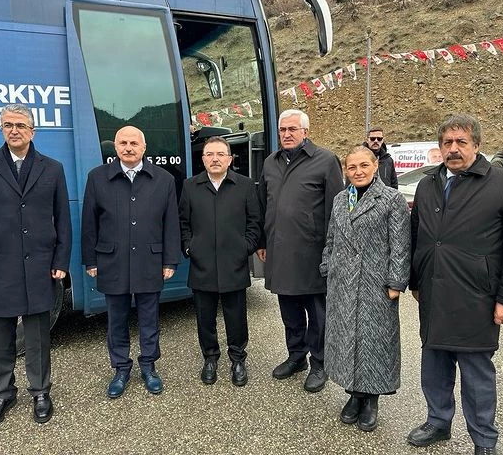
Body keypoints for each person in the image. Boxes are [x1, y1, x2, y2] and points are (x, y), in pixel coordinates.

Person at [407, 113, 503, 455]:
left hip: (476, 295)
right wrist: (416, 282)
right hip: (434, 293)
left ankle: (484, 440)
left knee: (477, 375)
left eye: (461, 142)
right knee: (434, 366)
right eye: (447, 142)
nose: (453, 149)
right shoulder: (428, 184)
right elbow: (418, 236)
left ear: (476, 145)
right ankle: (438, 421)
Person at [0, 103, 72, 430]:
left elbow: (62, 219)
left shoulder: (52, 168)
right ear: (2, 129)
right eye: (8, 125)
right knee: (2, 335)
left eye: (21, 125)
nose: (14, 130)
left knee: (38, 335)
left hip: (40, 266)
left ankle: (40, 391)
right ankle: (2, 393)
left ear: (32, 131)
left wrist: (61, 261)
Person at [81, 126, 180, 398]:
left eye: (134, 143)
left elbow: (171, 223)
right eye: (123, 143)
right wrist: (90, 260)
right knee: (116, 320)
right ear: (115, 147)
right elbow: (89, 222)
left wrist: (170, 260)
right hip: (111, 260)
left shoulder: (164, 179)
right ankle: (121, 368)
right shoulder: (97, 177)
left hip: (150, 260)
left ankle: (149, 366)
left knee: (149, 319)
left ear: (144, 147)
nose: (128, 148)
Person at [320, 145, 410, 432]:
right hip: (342, 283)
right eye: (352, 167)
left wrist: (396, 282)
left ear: (375, 166)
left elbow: (400, 245)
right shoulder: (340, 199)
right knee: (347, 339)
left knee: (373, 342)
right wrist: (327, 266)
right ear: (345, 171)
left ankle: (371, 398)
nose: (357, 171)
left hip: (375, 284)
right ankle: (354, 394)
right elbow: (332, 237)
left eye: (363, 165)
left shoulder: (391, 199)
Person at [256, 109, 344, 393]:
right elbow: (263, 205)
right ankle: (296, 356)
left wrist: (333, 250)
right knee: (289, 310)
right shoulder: (270, 162)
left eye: (292, 129)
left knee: (317, 314)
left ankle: (319, 363)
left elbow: (336, 210)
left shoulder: (326, 161)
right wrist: (262, 241)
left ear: (306, 131)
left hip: (312, 253)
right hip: (280, 251)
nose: (286, 134)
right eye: (283, 129)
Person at [178, 136, 262, 387]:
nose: (215, 159)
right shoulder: (190, 186)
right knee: (205, 319)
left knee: (236, 318)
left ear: (229, 159)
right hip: (201, 265)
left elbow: (254, 222)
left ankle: (238, 359)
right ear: (203, 159)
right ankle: (210, 358)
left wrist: (245, 248)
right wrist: (189, 247)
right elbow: (183, 222)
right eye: (209, 154)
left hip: (234, 264)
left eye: (220, 154)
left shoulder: (245, 185)